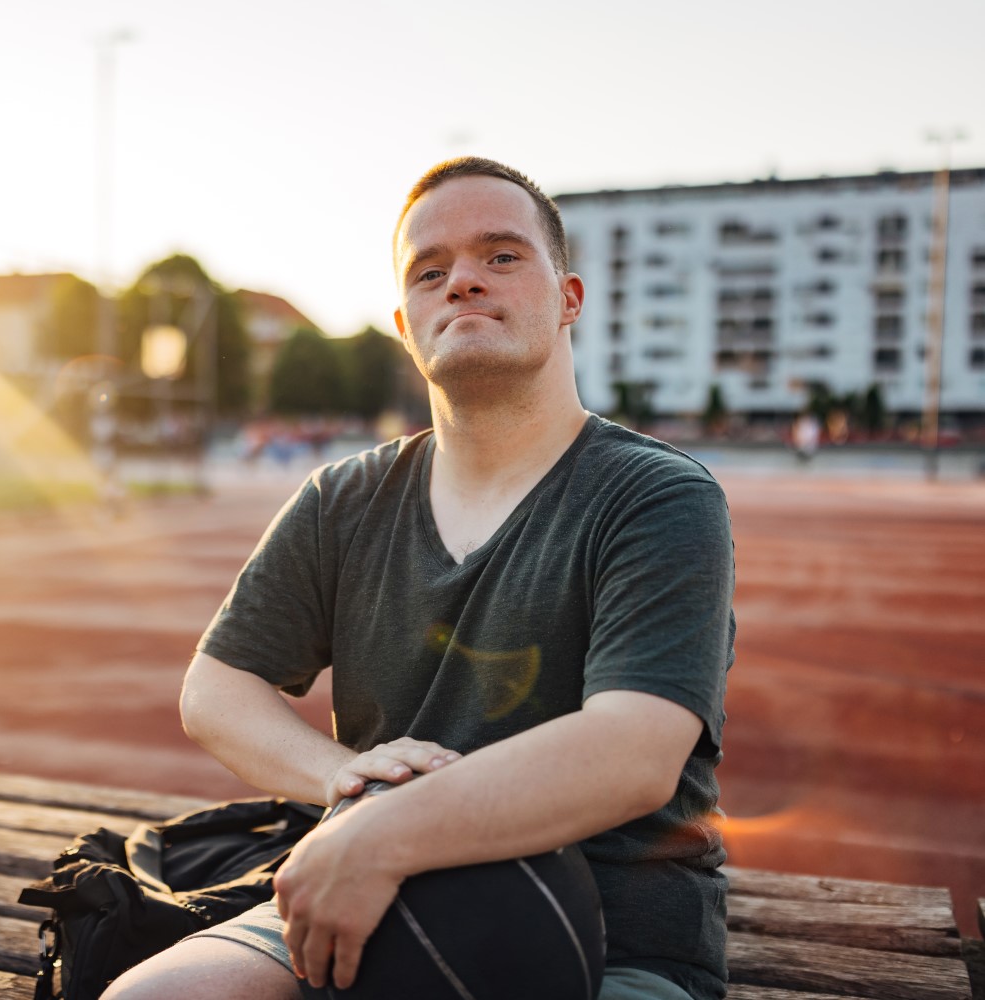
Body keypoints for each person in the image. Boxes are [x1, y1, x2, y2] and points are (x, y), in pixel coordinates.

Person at [104, 157, 736, 1000]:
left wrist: (384, 829)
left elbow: (633, 754)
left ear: (569, 298)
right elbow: (216, 687)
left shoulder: (657, 496)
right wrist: (337, 778)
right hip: (377, 886)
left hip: (612, 930)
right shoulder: (344, 497)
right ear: (407, 324)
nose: (463, 282)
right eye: (431, 271)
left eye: (501, 256)